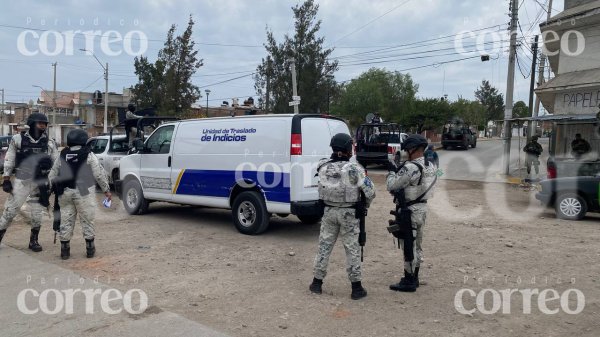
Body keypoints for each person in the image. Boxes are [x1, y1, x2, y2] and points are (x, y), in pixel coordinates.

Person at [310, 133, 376, 300]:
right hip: (349, 213)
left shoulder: (322, 165)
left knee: (324, 247)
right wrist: (364, 206)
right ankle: (356, 288)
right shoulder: (355, 169)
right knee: (352, 249)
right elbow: (370, 192)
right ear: (348, 148)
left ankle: (317, 283)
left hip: (329, 212)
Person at [48, 129, 111, 259]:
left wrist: (48, 190)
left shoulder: (63, 154)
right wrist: (106, 190)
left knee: (65, 220)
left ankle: (65, 250)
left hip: (65, 191)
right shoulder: (88, 154)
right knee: (87, 219)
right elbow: (99, 174)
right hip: (84, 190)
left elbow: (52, 174)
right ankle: (89, 248)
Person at [385, 134, 437, 292]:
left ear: (414, 149)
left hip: (410, 211)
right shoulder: (432, 166)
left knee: (409, 244)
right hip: (422, 209)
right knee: (418, 244)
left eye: (407, 149)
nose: (405, 152)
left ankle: (409, 281)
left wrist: (392, 171)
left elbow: (392, 186)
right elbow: (433, 181)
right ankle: (415, 276)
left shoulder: (411, 167)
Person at [0, 113, 58, 251]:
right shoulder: (18, 139)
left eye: (45, 123)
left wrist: (55, 181)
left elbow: (56, 163)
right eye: (40, 123)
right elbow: (9, 159)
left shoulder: (50, 142)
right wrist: (6, 178)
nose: (43, 126)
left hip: (41, 182)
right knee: (10, 211)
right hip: (22, 180)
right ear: (32, 124)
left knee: (37, 213)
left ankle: (34, 241)